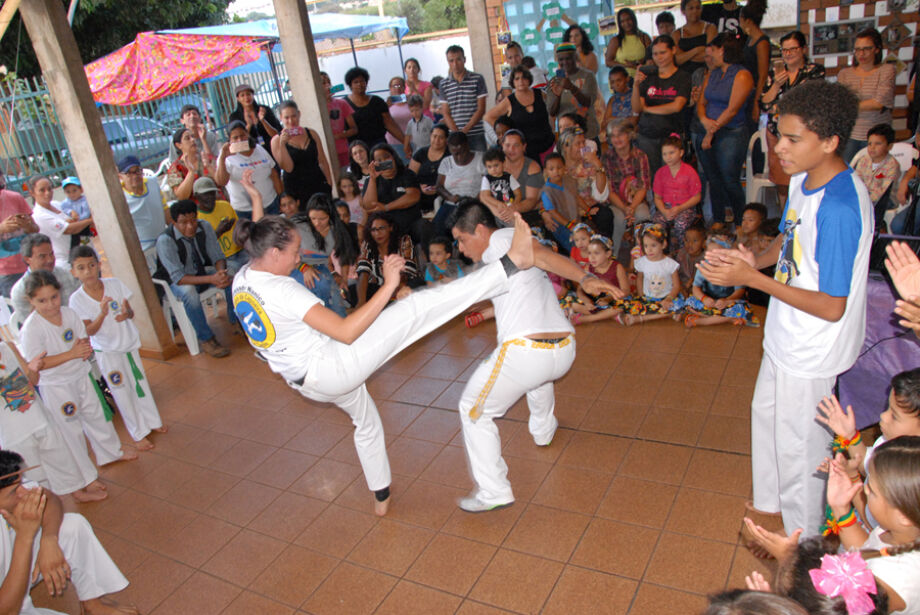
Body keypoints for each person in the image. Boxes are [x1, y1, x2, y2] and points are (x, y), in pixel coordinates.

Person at [231, 210, 539, 514]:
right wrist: (390, 285)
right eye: (295, 252)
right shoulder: (282, 290)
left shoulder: (243, 278)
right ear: (272, 253)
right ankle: (511, 264)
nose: (299, 259)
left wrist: (256, 200)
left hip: (307, 382)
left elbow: (262, 236)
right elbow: (347, 331)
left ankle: (381, 495)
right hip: (333, 367)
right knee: (417, 308)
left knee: (365, 421)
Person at [698, 80, 873, 539]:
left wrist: (752, 281)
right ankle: (772, 499)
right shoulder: (802, 180)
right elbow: (787, 240)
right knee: (766, 412)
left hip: (814, 343)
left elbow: (833, 307)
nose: (779, 148)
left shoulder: (839, 207)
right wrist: (752, 261)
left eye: (794, 139)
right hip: (786, 330)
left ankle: (805, 536)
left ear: (831, 142)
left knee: (801, 443)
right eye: (779, 134)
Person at [450, 201, 623, 512]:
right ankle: (543, 430)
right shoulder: (500, 250)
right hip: (563, 349)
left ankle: (493, 491)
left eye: (462, 239)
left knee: (472, 410)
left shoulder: (504, 242)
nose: (461, 249)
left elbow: (544, 256)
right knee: (536, 376)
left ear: (479, 230)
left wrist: (584, 279)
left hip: (527, 352)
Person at [0, 450, 140, 615]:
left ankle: (92, 605)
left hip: (14, 569)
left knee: (72, 526)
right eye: (14, 491)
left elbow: (50, 498)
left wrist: (49, 540)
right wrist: (25, 538)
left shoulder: (11, 485)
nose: (24, 492)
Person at [20, 271, 137, 469]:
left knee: (96, 416)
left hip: (80, 374)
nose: (50, 305)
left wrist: (83, 349)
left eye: (54, 297)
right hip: (56, 385)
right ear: (31, 301)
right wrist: (72, 354)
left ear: (60, 293)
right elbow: (38, 364)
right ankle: (85, 475)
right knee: (71, 429)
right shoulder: (31, 328)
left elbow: (82, 340)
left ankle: (111, 453)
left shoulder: (69, 314)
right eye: (42, 301)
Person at [68, 246, 166, 451]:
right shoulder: (76, 299)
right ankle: (138, 433)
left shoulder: (114, 284)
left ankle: (153, 421)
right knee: (121, 390)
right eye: (81, 267)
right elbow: (89, 331)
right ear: (74, 272)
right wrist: (102, 313)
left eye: (92, 265)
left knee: (139, 384)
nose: (88, 271)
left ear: (99, 265)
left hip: (127, 344)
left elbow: (129, 312)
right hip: (107, 352)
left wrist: (126, 313)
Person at [0, 339, 107, 503]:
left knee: (62, 458)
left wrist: (33, 369)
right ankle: (43, 511)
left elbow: (32, 381)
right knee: (32, 477)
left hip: (39, 417)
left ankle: (77, 492)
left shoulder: (8, 347)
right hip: (14, 433)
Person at [816, 369, 920, 530]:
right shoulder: (888, 442)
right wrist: (850, 437)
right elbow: (866, 463)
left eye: (894, 415)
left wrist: (850, 479)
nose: (883, 416)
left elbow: (871, 522)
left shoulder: (905, 478)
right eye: (888, 408)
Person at [154, 200, 235, 358]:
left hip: (201, 271)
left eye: (193, 221)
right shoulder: (165, 241)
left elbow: (217, 256)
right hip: (176, 281)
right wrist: (211, 278)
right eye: (184, 223)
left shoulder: (204, 226)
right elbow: (179, 278)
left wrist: (220, 274)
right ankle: (207, 339)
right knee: (189, 293)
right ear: (174, 222)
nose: (190, 226)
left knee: (234, 271)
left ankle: (236, 318)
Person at [760, 31, 826, 205]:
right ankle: (785, 218)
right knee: (782, 180)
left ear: (803, 49)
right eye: (784, 50)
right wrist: (776, 86)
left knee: (805, 177)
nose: (788, 54)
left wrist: (780, 105)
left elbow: (809, 101)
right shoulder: (774, 75)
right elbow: (764, 104)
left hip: (803, 134)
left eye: (793, 49)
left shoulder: (813, 71)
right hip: (777, 133)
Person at [696, 34, 754, 224]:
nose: (710, 54)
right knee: (713, 179)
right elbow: (701, 103)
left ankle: (740, 222)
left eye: (713, 49)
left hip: (731, 132)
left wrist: (712, 131)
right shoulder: (712, 73)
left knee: (730, 179)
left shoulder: (742, 74)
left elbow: (733, 109)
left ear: (723, 50)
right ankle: (718, 219)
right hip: (709, 130)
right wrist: (705, 121)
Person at [632, 35, 692, 175]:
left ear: (673, 50)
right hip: (647, 135)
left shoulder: (682, 76)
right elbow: (636, 108)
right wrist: (635, 85)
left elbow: (677, 106)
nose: (659, 57)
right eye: (655, 54)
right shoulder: (648, 75)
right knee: (652, 177)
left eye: (663, 52)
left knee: (672, 177)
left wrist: (648, 109)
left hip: (671, 135)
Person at [836, 28, 897, 163]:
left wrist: (850, 105)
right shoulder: (845, 74)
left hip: (878, 136)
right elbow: (840, 104)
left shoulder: (887, 70)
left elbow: (878, 103)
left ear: (876, 49)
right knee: (848, 173)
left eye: (866, 49)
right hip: (850, 134)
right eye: (857, 49)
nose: (861, 54)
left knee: (876, 176)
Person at [603, 119, 653, 258]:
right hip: (616, 202)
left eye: (620, 134)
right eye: (613, 136)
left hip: (637, 201)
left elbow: (643, 187)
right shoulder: (607, 157)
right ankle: (613, 257)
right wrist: (625, 209)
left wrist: (631, 207)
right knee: (618, 218)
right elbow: (610, 190)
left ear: (629, 135)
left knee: (643, 215)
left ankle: (641, 258)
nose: (616, 139)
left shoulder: (641, 156)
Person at [484, 66, 554, 163]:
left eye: (524, 77)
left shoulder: (540, 94)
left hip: (547, 145)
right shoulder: (509, 101)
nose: (521, 81)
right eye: (517, 78)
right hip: (525, 152)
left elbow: (553, 110)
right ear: (513, 82)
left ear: (529, 79)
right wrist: (502, 136)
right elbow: (488, 117)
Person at [614, 223, 681, 325]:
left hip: (666, 298)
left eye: (653, 245)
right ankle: (664, 314)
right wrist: (641, 296)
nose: (649, 249)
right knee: (629, 304)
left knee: (679, 305)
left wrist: (668, 298)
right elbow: (639, 279)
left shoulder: (670, 264)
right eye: (645, 246)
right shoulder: (642, 262)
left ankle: (642, 318)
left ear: (663, 244)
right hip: (648, 298)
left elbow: (676, 286)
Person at [683, 235, 757, 327]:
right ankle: (727, 318)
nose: (711, 256)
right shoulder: (703, 266)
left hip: (728, 301)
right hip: (709, 301)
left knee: (740, 307)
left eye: (716, 253)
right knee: (689, 303)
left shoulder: (734, 268)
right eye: (709, 253)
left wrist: (726, 300)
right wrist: (704, 298)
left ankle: (701, 321)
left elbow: (740, 291)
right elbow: (696, 288)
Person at [362, 144, 427, 246]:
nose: (384, 162)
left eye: (387, 157)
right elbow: (369, 205)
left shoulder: (407, 174)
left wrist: (386, 207)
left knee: (426, 227)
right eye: (379, 160)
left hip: (411, 225)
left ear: (394, 157)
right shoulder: (371, 181)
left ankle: (433, 260)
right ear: (374, 164)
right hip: (386, 230)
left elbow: (413, 196)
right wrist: (372, 179)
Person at [216, 120, 283, 219]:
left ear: (247, 134)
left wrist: (281, 198)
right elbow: (221, 181)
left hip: (270, 205)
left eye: (242, 135)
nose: (240, 140)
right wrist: (222, 158)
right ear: (229, 140)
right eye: (235, 138)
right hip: (244, 211)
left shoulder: (259, 149)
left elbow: (274, 175)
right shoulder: (226, 157)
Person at [270, 100, 333, 203]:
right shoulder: (276, 141)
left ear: (299, 114)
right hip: (296, 190)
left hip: (318, 184)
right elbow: (288, 168)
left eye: (294, 116)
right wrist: (282, 145)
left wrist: (329, 184)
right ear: (281, 118)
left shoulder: (311, 133)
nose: (291, 121)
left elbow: (322, 161)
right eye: (286, 117)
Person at [355, 212, 422, 306]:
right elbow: (363, 273)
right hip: (379, 287)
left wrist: (390, 294)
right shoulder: (368, 244)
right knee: (355, 290)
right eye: (373, 230)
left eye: (381, 228)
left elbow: (405, 273)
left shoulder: (404, 240)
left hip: (401, 284)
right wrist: (361, 302)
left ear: (391, 228)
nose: (377, 233)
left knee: (416, 286)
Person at [27, 176, 93, 271]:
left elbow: (77, 219)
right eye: (42, 190)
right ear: (32, 193)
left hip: (85, 252)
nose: (47, 193)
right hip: (68, 261)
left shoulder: (57, 204)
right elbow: (69, 229)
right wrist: (90, 220)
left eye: (49, 189)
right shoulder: (39, 215)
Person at [9, 234, 79, 323]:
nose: (50, 260)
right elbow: (31, 324)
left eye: (51, 254)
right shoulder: (20, 291)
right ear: (27, 259)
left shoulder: (65, 274)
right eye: (42, 256)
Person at [558, 127, 612, 237]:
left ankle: (602, 249)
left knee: (605, 215)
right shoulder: (557, 166)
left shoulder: (588, 164)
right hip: (566, 208)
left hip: (590, 206)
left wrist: (598, 164)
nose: (583, 147)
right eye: (578, 144)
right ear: (565, 147)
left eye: (583, 142)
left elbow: (601, 194)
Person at [652, 133, 702, 251]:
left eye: (671, 153)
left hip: (685, 207)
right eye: (664, 154)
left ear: (681, 152)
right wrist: (664, 211)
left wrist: (680, 208)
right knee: (657, 224)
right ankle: (662, 252)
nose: (668, 157)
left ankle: (682, 252)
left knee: (681, 223)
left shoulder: (689, 172)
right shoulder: (660, 173)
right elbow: (657, 197)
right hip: (666, 207)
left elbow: (697, 196)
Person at [566, 234, 629, 325]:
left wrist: (608, 299)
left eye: (596, 253)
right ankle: (609, 316)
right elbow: (580, 290)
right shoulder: (588, 268)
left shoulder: (617, 267)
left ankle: (587, 319)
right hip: (595, 302)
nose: (592, 257)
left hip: (613, 299)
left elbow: (626, 291)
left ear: (608, 253)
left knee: (623, 305)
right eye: (589, 253)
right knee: (571, 302)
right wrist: (587, 301)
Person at [547, 43, 601, 142]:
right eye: (561, 59)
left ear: (575, 57)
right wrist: (558, 96)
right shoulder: (554, 81)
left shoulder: (588, 76)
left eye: (568, 58)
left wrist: (571, 87)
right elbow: (552, 112)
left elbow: (588, 102)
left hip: (588, 133)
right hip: (567, 137)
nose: (565, 62)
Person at [192, 177, 247, 274]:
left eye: (212, 193)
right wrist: (218, 232)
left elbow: (239, 228)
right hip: (219, 259)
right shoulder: (194, 218)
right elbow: (200, 249)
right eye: (205, 194)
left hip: (239, 250)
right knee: (236, 269)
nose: (210, 197)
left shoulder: (224, 205)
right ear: (196, 196)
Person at [440, 46, 489, 152]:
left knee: (480, 166)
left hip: (476, 133)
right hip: (455, 136)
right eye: (451, 61)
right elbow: (446, 112)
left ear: (464, 59)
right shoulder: (444, 84)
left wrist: (465, 130)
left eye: (458, 59)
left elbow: (481, 109)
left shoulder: (477, 79)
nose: (455, 64)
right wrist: (457, 133)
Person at [436, 132, 487, 234]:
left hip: (474, 204)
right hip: (451, 204)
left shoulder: (481, 159)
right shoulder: (446, 162)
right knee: (436, 230)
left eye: (462, 152)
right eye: (455, 154)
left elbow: (487, 185)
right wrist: (450, 197)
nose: (459, 157)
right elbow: (439, 187)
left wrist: (475, 200)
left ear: (467, 146)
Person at [343, 67, 406, 148]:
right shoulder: (344, 104)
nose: (360, 84)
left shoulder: (377, 101)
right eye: (356, 82)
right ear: (350, 85)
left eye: (362, 81)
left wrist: (405, 142)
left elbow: (389, 124)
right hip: (357, 150)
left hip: (379, 146)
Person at [117, 155, 167, 250]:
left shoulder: (152, 183)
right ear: (120, 176)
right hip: (142, 248)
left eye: (137, 171)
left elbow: (165, 210)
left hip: (163, 241)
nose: (135, 176)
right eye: (129, 173)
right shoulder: (120, 198)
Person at [0, 176, 37, 297]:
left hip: (30, 264)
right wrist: (2, 229)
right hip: (6, 273)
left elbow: (35, 229)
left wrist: (27, 226)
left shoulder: (14, 197)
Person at [501, 130, 545, 225]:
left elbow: (531, 200)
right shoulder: (496, 165)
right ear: (502, 146)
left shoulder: (532, 167)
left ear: (524, 147)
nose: (511, 149)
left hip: (528, 213)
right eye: (507, 145)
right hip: (502, 213)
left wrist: (512, 209)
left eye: (516, 145)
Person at [539, 154, 580, 252]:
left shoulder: (568, 181)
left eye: (559, 167)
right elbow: (553, 212)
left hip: (573, 219)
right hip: (560, 224)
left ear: (564, 167)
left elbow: (576, 197)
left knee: (582, 241)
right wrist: (568, 225)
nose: (556, 172)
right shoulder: (547, 191)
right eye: (551, 169)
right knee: (574, 246)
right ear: (546, 171)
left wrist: (588, 209)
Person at [739, 0, 771, 127]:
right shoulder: (750, 39)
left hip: (755, 93)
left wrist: (757, 103)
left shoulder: (762, 43)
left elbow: (762, 75)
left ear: (747, 21)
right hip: (747, 91)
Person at [853, 123, 901, 206]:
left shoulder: (892, 165)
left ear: (889, 146)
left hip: (885, 200)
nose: (872, 147)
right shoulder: (863, 160)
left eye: (878, 144)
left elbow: (884, 191)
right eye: (869, 144)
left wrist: (864, 199)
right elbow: (857, 182)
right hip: (864, 198)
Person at [408, 122, 449, 216]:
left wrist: (439, 188)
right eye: (434, 136)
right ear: (430, 136)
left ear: (446, 139)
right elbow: (410, 176)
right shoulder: (420, 153)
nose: (437, 140)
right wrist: (420, 187)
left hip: (443, 192)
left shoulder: (450, 155)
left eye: (441, 137)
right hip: (421, 191)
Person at [166, 127, 217, 201]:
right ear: (179, 145)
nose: (192, 140)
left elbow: (221, 181)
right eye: (187, 138)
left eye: (193, 136)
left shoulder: (206, 158)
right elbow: (181, 196)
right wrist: (191, 172)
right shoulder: (176, 167)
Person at [227, 83, 281, 154]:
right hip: (250, 151)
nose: (246, 98)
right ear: (238, 98)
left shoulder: (264, 110)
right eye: (242, 95)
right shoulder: (235, 116)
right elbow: (236, 143)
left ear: (253, 95)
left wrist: (263, 121)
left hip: (272, 148)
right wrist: (248, 125)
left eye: (248, 94)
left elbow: (276, 134)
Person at [320, 71, 358, 169]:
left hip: (343, 151)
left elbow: (354, 129)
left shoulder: (342, 103)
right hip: (324, 153)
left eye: (328, 82)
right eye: (323, 83)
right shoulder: (316, 108)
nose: (327, 85)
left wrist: (339, 136)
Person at [672, 0, 717, 76]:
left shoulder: (710, 28)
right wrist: (697, 50)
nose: (695, 11)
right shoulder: (677, 34)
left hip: (706, 73)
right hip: (683, 75)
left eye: (698, 8)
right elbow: (677, 60)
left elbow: (711, 56)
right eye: (691, 8)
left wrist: (685, 55)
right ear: (683, 11)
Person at [604, 8, 653, 76]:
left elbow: (652, 58)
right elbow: (608, 62)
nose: (626, 23)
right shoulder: (616, 40)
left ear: (633, 19)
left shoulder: (644, 37)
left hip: (643, 79)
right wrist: (625, 65)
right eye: (622, 21)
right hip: (623, 82)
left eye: (628, 19)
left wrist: (638, 63)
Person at [479, 148, 521, 225]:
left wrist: (514, 205)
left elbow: (518, 193)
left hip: (509, 207)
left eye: (496, 165)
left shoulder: (508, 177)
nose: (493, 169)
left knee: (514, 224)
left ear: (503, 163)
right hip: (494, 209)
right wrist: (498, 203)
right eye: (489, 167)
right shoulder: (487, 179)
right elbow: (485, 196)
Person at [385, 76, 413, 159]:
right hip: (394, 142)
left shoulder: (411, 102)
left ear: (404, 87)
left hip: (413, 141)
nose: (397, 88)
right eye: (394, 86)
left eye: (400, 86)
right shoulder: (386, 105)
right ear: (390, 88)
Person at [676, 222, 706, 292]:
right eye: (687, 240)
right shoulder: (682, 254)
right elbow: (676, 273)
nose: (690, 244)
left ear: (704, 242)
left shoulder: (705, 257)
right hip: (681, 287)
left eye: (695, 241)